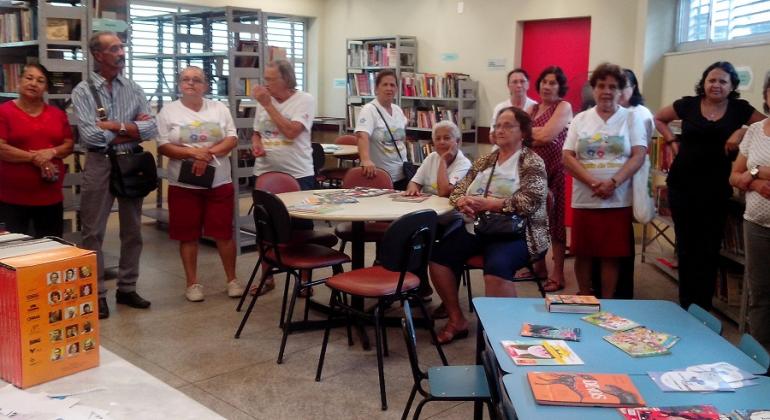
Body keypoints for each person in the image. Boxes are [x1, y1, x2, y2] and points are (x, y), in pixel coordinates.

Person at [429, 107, 549, 344]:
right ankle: (456, 320)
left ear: (523, 132)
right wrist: (464, 202)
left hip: (517, 233)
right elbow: (457, 191)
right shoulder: (486, 160)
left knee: (496, 266)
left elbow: (530, 201)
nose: (500, 130)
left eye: (508, 125)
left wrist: (490, 204)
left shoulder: (531, 161)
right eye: (497, 125)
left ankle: (504, 334)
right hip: (481, 228)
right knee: (438, 256)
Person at [654, 61, 764, 310]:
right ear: (703, 82)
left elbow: (765, 126)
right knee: (685, 247)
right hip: (682, 186)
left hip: (716, 189)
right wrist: (671, 141)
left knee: (708, 250)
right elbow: (659, 118)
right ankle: (685, 305)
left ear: (732, 86)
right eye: (712, 80)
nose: (716, 85)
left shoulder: (739, 109)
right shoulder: (688, 105)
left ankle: (702, 307)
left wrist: (742, 132)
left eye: (723, 81)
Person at [72, 31, 158, 319]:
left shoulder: (133, 88)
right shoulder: (83, 91)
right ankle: (95, 293)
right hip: (99, 165)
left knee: (133, 230)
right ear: (98, 55)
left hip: (131, 163)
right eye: (114, 48)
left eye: (122, 47)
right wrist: (130, 128)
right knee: (93, 232)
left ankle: (127, 287)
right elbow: (91, 137)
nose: (121, 52)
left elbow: (150, 129)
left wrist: (114, 126)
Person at [157, 66, 244, 302]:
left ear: (205, 85)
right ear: (179, 85)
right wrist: (192, 155)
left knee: (224, 233)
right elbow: (163, 145)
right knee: (188, 236)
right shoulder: (169, 111)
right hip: (183, 186)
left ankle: (232, 280)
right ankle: (192, 283)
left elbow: (232, 138)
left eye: (197, 80)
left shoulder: (219, 108)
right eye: (185, 80)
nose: (191, 84)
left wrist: (206, 154)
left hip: (219, 183)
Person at [562, 63, 646, 299]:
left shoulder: (630, 118)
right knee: (583, 253)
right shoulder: (580, 119)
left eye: (612, 86)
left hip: (617, 200)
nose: (607, 91)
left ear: (621, 91)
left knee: (611, 255)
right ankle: (586, 296)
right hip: (584, 199)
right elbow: (567, 157)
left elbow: (639, 154)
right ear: (593, 89)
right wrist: (592, 182)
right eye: (601, 86)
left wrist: (614, 182)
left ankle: (608, 303)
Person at [250, 59, 316, 295]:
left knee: (301, 228)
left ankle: (305, 281)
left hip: (298, 174)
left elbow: (290, 132)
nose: (266, 84)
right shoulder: (264, 101)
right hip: (265, 173)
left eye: (271, 79)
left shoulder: (304, 100)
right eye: (265, 79)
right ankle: (267, 277)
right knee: (265, 229)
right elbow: (257, 132)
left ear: (286, 79)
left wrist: (268, 105)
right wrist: (256, 144)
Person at [0, 63, 74, 238]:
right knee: (14, 254)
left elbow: (69, 145)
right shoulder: (4, 112)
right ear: (19, 82)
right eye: (29, 78)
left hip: (50, 198)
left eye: (40, 81)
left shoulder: (57, 114)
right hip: (11, 199)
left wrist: (52, 152)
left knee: (52, 249)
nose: (34, 83)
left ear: (46, 88)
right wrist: (35, 158)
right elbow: (1, 148)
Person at [729, 74, 770, 348]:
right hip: (756, 224)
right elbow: (734, 176)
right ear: (766, 96)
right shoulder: (755, 131)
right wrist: (756, 177)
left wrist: (755, 174)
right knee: (760, 295)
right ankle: (760, 354)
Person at [528, 66, 573, 292]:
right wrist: (537, 134)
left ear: (560, 86)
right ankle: (539, 266)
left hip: (555, 172)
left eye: (553, 82)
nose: (547, 86)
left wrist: (532, 134)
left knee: (555, 223)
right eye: (544, 81)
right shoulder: (532, 108)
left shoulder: (564, 107)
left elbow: (548, 136)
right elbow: (520, 134)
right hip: (532, 174)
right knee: (533, 221)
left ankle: (558, 273)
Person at [356, 69, 410, 190]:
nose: (389, 88)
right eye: (384, 84)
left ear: (396, 89)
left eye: (392, 85)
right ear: (376, 88)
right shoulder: (369, 110)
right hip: (380, 176)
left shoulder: (397, 110)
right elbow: (362, 135)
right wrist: (365, 160)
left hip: (402, 173)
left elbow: (402, 133)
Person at [405, 120, 471, 197]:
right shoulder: (431, 157)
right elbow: (415, 182)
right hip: (428, 204)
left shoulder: (464, 164)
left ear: (457, 141)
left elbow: (444, 192)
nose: (442, 142)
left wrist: (443, 160)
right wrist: (413, 189)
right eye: (438, 139)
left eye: (446, 138)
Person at [490, 68, 538, 134]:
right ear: (508, 86)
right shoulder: (500, 107)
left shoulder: (535, 107)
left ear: (528, 84)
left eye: (522, 81)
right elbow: (492, 135)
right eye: (515, 82)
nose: (519, 85)